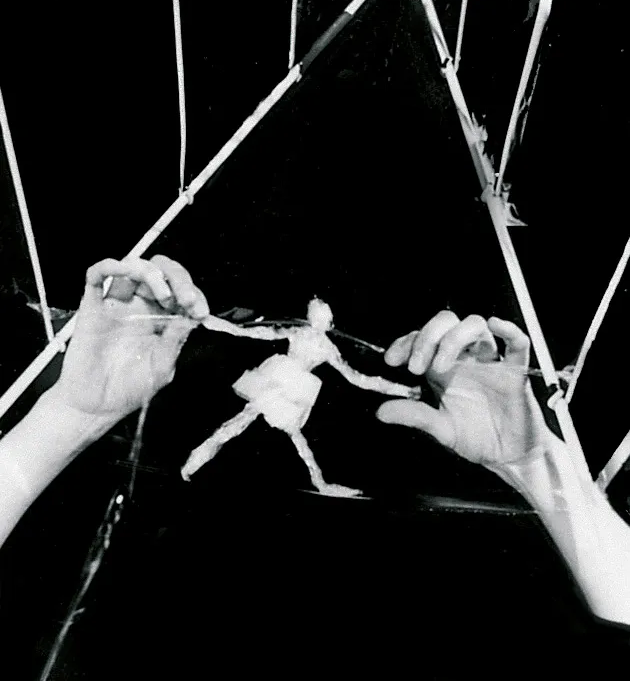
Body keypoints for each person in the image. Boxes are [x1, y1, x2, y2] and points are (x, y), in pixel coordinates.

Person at [0, 256, 628, 628]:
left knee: (292, 440)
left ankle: (306, 477)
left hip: (293, 387)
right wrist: (66, 415)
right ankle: (201, 459)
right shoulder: (301, 335)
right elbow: (254, 335)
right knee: (243, 427)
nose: (322, 319)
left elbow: (354, 374)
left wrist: (533, 459)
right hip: (279, 379)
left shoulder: (321, 344)